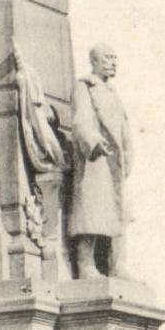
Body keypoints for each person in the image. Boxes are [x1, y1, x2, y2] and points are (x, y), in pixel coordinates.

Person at [68, 44, 133, 278]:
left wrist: (127, 154)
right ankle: (85, 263)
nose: (113, 62)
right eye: (107, 58)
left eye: (115, 58)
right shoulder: (85, 87)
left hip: (114, 162)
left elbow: (123, 129)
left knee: (117, 213)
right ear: (94, 61)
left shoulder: (113, 93)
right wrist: (93, 141)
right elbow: (81, 120)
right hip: (94, 160)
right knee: (91, 211)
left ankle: (117, 265)